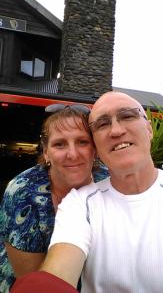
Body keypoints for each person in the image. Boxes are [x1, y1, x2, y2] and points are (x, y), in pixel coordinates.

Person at [10, 91, 163, 293]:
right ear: (46, 151)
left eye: (128, 115)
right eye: (103, 124)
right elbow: (52, 277)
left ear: (149, 129)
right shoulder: (77, 204)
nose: (116, 130)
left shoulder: (98, 178)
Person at [0, 103, 109, 293]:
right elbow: (31, 277)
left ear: (95, 149)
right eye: (60, 144)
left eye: (82, 142)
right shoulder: (22, 192)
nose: (72, 154)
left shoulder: (108, 182)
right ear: (46, 151)